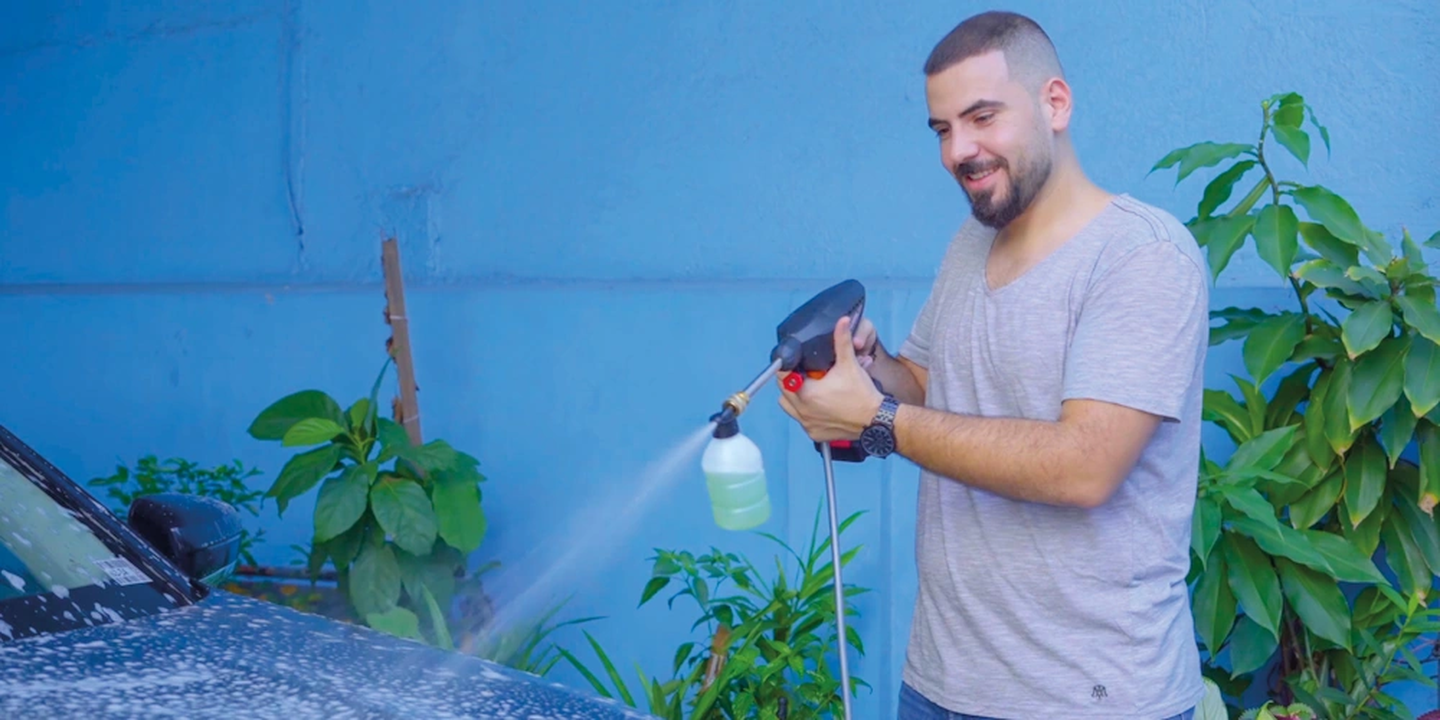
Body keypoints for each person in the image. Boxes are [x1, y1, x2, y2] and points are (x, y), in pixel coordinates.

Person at [776, 10, 1209, 720]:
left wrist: (877, 421)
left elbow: (1084, 466)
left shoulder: (1141, 256)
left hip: (1088, 698)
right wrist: (871, 366)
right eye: (943, 129)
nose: (959, 150)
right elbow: (928, 385)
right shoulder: (971, 244)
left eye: (982, 118)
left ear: (1055, 103)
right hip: (943, 681)